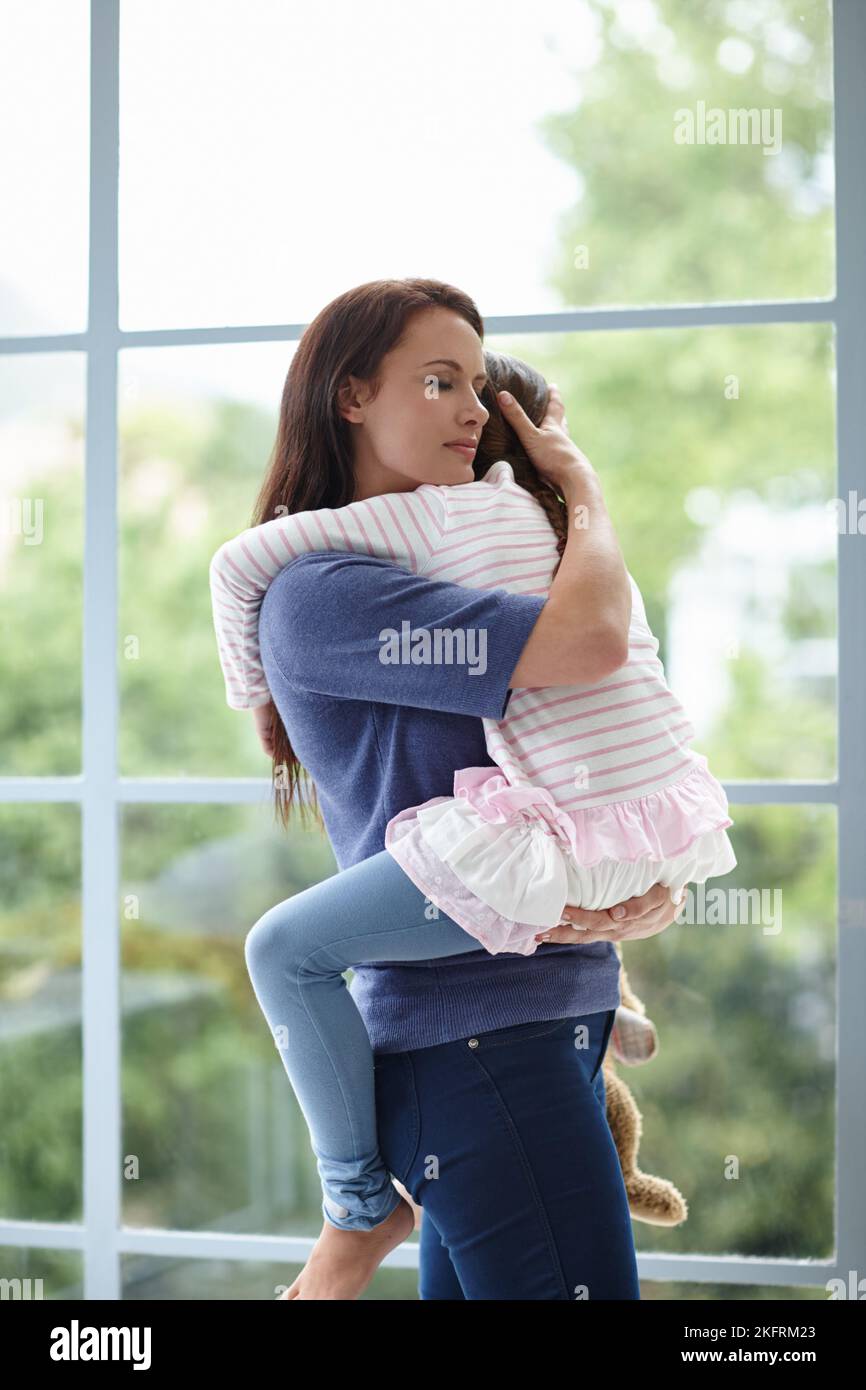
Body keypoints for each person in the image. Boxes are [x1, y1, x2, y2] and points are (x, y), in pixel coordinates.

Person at [218, 277, 686, 1299]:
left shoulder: (480, 562)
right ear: (349, 396)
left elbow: (589, 750)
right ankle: (353, 1208)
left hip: (541, 1025)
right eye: (439, 381)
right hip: (474, 1049)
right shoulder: (325, 595)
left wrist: (638, 890)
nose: (473, 409)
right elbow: (593, 639)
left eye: (478, 383)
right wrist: (583, 489)